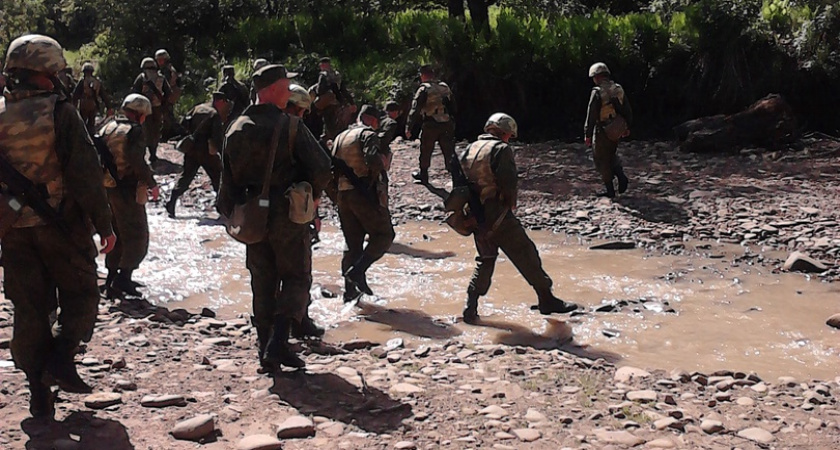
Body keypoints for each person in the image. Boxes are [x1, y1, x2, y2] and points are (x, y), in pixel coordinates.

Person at [0, 34, 116, 419]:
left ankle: (38, 389)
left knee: (29, 309)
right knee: (82, 295)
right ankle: (62, 357)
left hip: (13, 231)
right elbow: (85, 174)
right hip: (61, 226)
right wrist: (104, 224)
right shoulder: (60, 112)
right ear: (46, 70)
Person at [218, 65, 332, 370]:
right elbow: (322, 167)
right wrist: (313, 198)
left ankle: (264, 347)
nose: (288, 92)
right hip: (288, 215)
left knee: (262, 280)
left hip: (253, 215)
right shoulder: (290, 125)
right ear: (272, 90)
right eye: (284, 86)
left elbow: (226, 181)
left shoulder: (235, 128)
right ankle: (278, 344)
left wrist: (232, 213)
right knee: (296, 276)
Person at [458, 113, 579, 324]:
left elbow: (459, 182)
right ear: (505, 132)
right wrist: (510, 203)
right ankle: (546, 299)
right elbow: (508, 181)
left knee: (485, 259)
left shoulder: (470, 149)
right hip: (498, 214)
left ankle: (471, 308)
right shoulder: (501, 149)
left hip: (475, 216)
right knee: (526, 253)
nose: (509, 139)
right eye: (509, 135)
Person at [331, 105, 394, 302]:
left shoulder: (340, 137)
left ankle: (350, 293)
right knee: (384, 235)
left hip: (343, 195)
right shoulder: (368, 135)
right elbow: (373, 160)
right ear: (371, 120)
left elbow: (330, 167)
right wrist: (380, 169)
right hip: (363, 193)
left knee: (352, 244)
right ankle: (358, 271)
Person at [99, 94, 159, 298]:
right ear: (140, 114)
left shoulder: (108, 127)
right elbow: (137, 160)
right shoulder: (135, 131)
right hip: (127, 189)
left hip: (107, 188)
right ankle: (123, 278)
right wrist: (151, 183)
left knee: (116, 233)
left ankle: (111, 277)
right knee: (137, 235)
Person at [282, 83, 326, 339]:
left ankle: (268, 328)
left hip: (258, 211)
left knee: (266, 271)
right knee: (299, 271)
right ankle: (298, 323)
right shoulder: (295, 130)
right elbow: (321, 168)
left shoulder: (254, 125)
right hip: (293, 211)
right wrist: (315, 204)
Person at [165, 92, 231, 218]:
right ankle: (221, 208)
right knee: (217, 177)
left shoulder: (198, 108)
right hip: (207, 152)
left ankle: (171, 202)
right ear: (220, 101)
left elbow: (184, 123)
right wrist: (223, 153)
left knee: (186, 177)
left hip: (191, 150)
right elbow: (217, 138)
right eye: (224, 102)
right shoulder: (214, 114)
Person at [584, 62, 633, 198]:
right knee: (611, 153)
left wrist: (588, 134)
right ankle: (621, 176)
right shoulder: (618, 88)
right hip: (617, 128)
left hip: (603, 129)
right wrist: (627, 127)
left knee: (601, 158)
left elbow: (592, 114)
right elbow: (627, 110)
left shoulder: (597, 92)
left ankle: (610, 190)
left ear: (597, 77)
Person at [406, 64, 456, 184]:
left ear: (423, 75)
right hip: (446, 122)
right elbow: (453, 105)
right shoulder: (444, 87)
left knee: (426, 149)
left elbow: (415, 109)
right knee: (449, 150)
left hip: (431, 123)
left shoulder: (424, 89)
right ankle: (456, 177)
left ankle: (424, 176)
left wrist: (409, 127)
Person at [132, 57, 171, 162]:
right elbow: (168, 92)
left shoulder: (141, 78)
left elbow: (135, 92)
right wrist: (163, 103)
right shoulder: (161, 78)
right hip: (157, 107)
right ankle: (153, 152)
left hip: (144, 109)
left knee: (146, 130)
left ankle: (149, 152)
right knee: (156, 130)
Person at [313, 57, 355, 141]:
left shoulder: (323, 75)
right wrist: (351, 102)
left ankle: (326, 144)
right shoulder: (337, 74)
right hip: (338, 105)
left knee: (328, 127)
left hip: (328, 105)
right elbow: (343, 90)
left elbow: (319, 90)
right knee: (338, 126)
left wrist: (315, 87)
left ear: (323, 65)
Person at [72, 62, 111, 134]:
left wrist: (73, 106)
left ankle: (83, 136)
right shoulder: (97, 82)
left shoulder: (82, 81)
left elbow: (75, 95)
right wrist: (109, 107)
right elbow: (104, 95)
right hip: (93, 105)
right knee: (91, 124)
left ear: (84, 72)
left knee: (82, 123)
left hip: (83, 105)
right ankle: (92, 136)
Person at [155, 49, 183, 138]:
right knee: (167, 115)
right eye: (158, 60)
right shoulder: (168, 68)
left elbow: (166, 84)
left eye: (161, 60)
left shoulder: (167, 70)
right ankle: (167, 134)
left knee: (168, 115)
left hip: (169, 94)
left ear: (165, 59)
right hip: (171, 94)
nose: (159, 62)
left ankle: (180, 132)